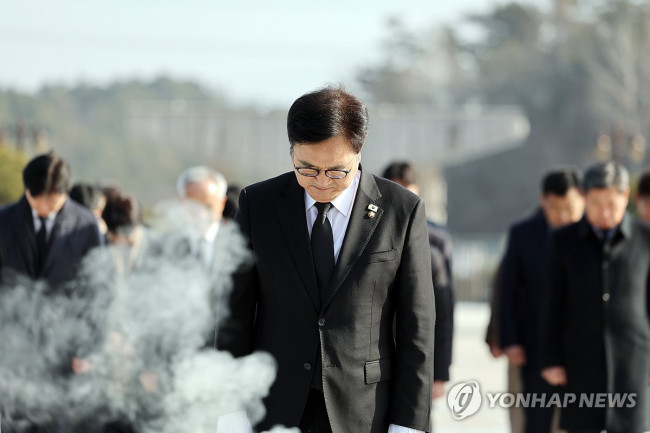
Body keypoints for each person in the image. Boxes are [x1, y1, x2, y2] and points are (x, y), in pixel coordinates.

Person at [217, 86, 435, 433]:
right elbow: (234, 314)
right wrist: (230, 412)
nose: (320, 182)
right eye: (306, 169)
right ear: (291, 151)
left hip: (364, 409)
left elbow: (417, 327)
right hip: (274, 404)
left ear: (358, 152)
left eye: (336, 171)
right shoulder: (258, 205)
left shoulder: (401, 210)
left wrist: (408, 424)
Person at [540, 161, 650, 433]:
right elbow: (551, 303)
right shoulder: (563, 241)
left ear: (625, 196)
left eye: (611, 203)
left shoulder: (645, 239)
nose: (604, 212)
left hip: (634, 359)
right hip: (579, 360)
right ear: (584, 197)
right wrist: (550, 358)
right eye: (596, 203)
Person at [499, 168, 584, 433]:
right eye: (555, 208)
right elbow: (507, 290)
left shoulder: (591, 234)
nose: (563, 216)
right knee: (536, 418)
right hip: (533, 344)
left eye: (569, 207)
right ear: (543, 200)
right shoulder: (523, 233)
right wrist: (510, 340)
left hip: (580, 347)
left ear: (582, 198)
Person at [381, 161, 454, 402]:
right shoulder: (366, 232)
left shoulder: (436, 239)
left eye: (407, 190)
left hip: (417, 351)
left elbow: (443, 311)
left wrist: (440, 371)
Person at [0, 152, 102, 288]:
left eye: (52, 201)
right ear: (27, 190)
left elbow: (95, 282)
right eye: (37, 200)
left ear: (65, 193)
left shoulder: (86, 225)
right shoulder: (3, 220)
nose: (43, 207)